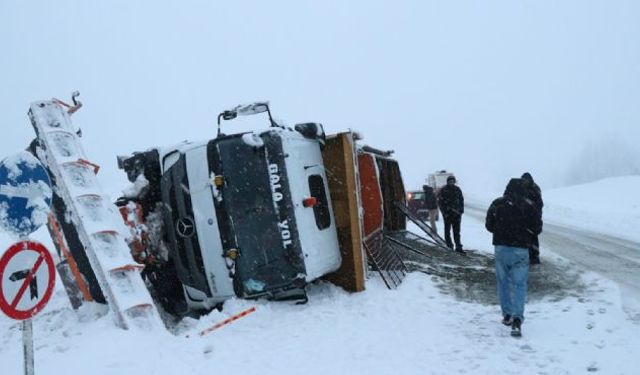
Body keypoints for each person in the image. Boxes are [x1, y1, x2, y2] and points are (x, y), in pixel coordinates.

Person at [485, 178, 543, 337]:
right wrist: (525, 232)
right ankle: (517, 319)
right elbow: (537, 228)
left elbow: (489, 225)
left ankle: (507, 314)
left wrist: (501, 230)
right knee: (519, 284)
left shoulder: (497, 203)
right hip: (520, 249)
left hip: (501, 248)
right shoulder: (528, 205)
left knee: (502, 282)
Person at [521, 172, 543, 265]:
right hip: (524, 217)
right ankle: (525, 256)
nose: (524, 182)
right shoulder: (522, 188)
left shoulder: (535, 189)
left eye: (525, 180)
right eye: (523, 180)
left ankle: (534, 258)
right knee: (523, 237)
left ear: (529, 180)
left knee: (533, 237)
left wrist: (536, 216)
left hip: (533, 218)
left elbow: (539, 204)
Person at [438, 175, 464, 252]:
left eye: (453, 181)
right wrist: (444, 213)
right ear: (448, 182)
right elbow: (440, 203)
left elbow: (461, 201)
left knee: (457, 232)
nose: (451, 182)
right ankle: (449, 246)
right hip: (447, 215)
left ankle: (458, 247)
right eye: (450, 181)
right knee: (447, 231)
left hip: (457, 215)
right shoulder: (444, 190)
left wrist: (461, 211)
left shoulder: (457, 189)